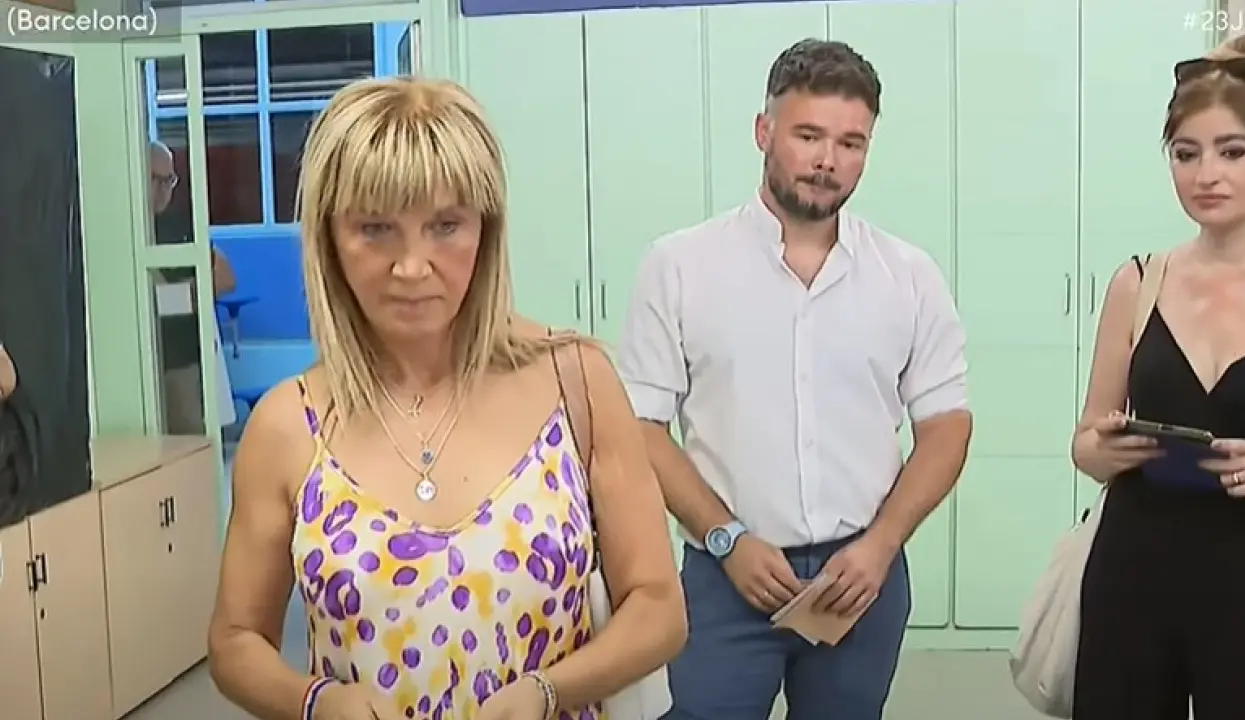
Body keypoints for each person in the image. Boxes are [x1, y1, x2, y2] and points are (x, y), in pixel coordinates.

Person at [206, 76, 686, 720]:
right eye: (375, 228)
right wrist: (316, 702)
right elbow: (236, 640)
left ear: (486, 230)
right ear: (329, 239)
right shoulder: (289, 425)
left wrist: (548, 691)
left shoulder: (578, 383)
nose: (412, 266)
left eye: (445, 225)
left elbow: (657, 606)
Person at [618, 38, 972, 719]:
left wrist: (881, 546)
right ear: (764, 131)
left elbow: (947, 424)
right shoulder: (680, 267)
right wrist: (724, 538)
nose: (827, 160)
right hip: (723, 576)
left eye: (850, 142)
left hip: (859, 580)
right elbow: (640, 426)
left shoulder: (908, 276)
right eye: (808, 135)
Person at [1071, 34, 1245, 720]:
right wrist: (1105, 448)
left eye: (1232, 151)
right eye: (1185, 154)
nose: (1205, 174)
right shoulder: (1139, 281)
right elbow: (1085, 443)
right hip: (1136, 571)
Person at [149, 141, 237, 433]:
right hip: (139, 358)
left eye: (169, 180)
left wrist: (171, 298)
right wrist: (184, 295)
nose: (163, 189)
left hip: (181, 357)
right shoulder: (126, 228)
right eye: (155, 179)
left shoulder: (180, 226)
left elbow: (225, 278)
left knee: (189, 437)